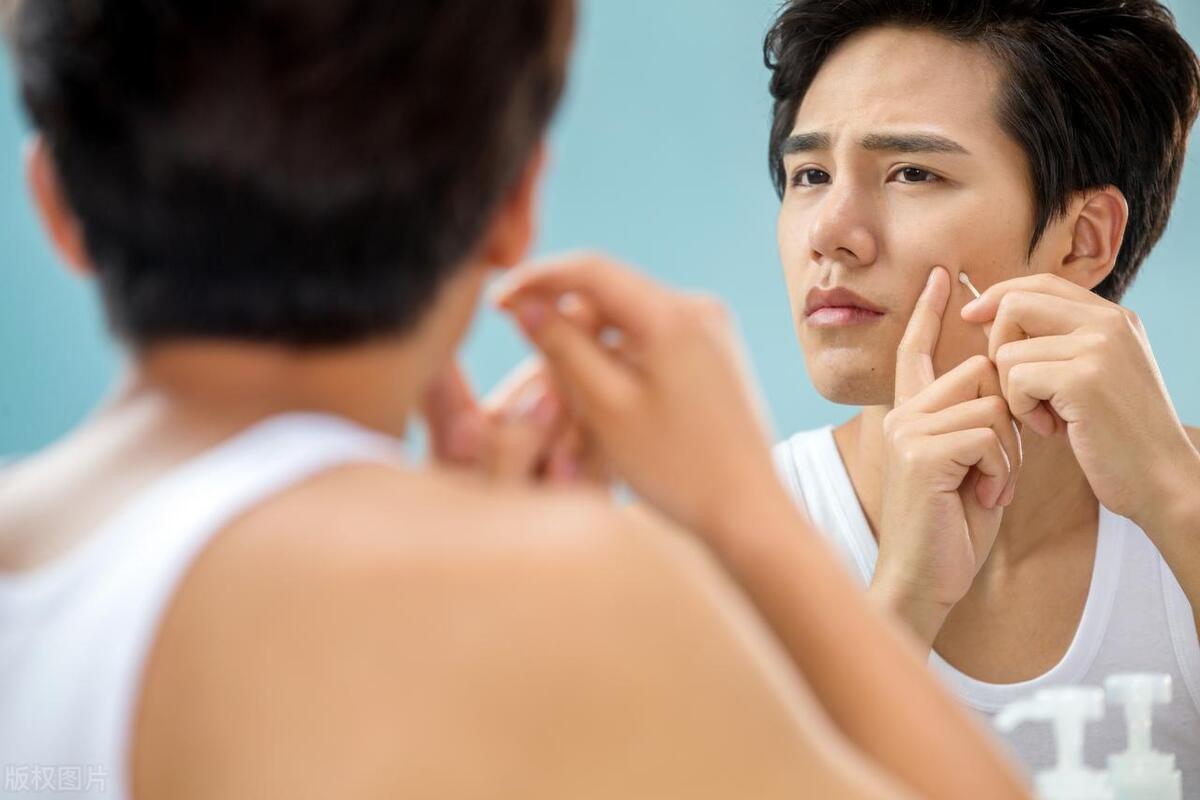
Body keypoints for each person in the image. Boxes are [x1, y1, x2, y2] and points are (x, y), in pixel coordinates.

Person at [0, 1, 1029, 798]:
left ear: (55, 202)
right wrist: (748, 520)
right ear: (512, 207)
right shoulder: (569, 583)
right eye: (807, 177)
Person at [765, 0, 1200, 783]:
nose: (828, 231)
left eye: (912, 172)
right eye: (811, 174)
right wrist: (900, 600)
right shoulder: (732, 538)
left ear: (1084, 238)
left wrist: (1179, 503)